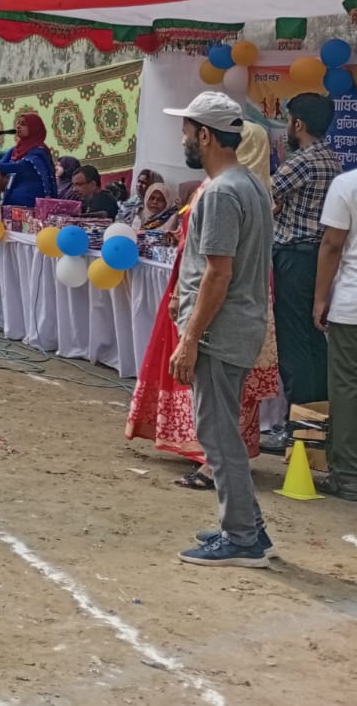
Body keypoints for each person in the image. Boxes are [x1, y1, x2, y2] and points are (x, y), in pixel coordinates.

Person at [159, 92, 274, 568]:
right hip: (231, 327)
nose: (183, 138)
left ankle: (242, 536)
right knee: (220, 429)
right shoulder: (246, 186)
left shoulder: (225, 192)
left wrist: (190, 337)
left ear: (205, 135)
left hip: (219, 332)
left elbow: (218, 274)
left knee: (218, 433)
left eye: (187, 130)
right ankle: (245, 525)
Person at [269, 92, 340, 420]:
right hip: (318, 260)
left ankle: (297, 426)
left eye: (288, 121)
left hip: (293, 259)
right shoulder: (332, 159)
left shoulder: (301, 161)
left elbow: (264, 196)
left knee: (294, 344)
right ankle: (318, 425)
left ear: (298, 123)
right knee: (313, 343)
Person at [313, 164, 357, 502]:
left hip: (352, 305)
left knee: (346, 387)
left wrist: (320, 298)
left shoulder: (347, 185)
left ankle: (347, 474)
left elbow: (331, 244)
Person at [0, 112, 56, 208]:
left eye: (23, 124)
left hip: (32, 202)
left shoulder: (39, 150)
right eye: (18, 123)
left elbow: (21, 166)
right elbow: (1, 164)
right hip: (11, 198)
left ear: (34, 128)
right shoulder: (15, 149)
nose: (18, 126)